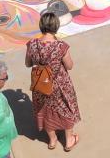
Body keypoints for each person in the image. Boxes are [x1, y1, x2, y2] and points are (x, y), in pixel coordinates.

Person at [25, 12, 80, 151]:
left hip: (41, 85)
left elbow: (28, 63)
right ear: (56, 26)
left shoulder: (32, 44)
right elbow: (69, 66)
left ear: (41, 26)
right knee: (66, 108)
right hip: (59, 85)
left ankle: (52, 139)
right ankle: (69, 141)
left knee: (45, 110)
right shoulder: (61, 46)